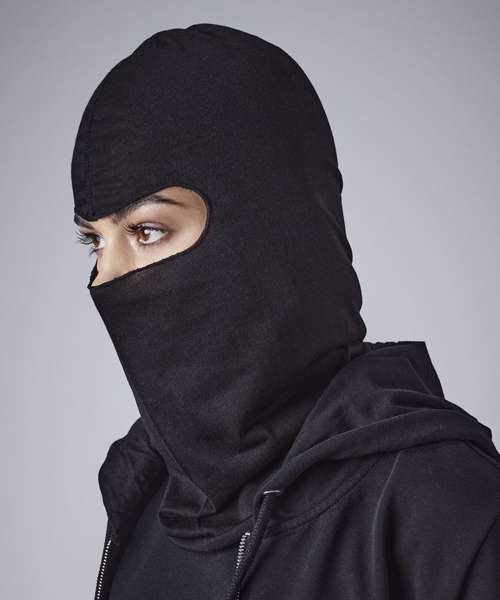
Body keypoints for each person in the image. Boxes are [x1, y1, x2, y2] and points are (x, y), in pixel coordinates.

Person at [71, 23, 500, 600]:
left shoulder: (446, 508)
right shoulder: (145, 486)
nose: (107, 278)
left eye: (147, 231)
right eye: (94, 243)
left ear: (270, 226)